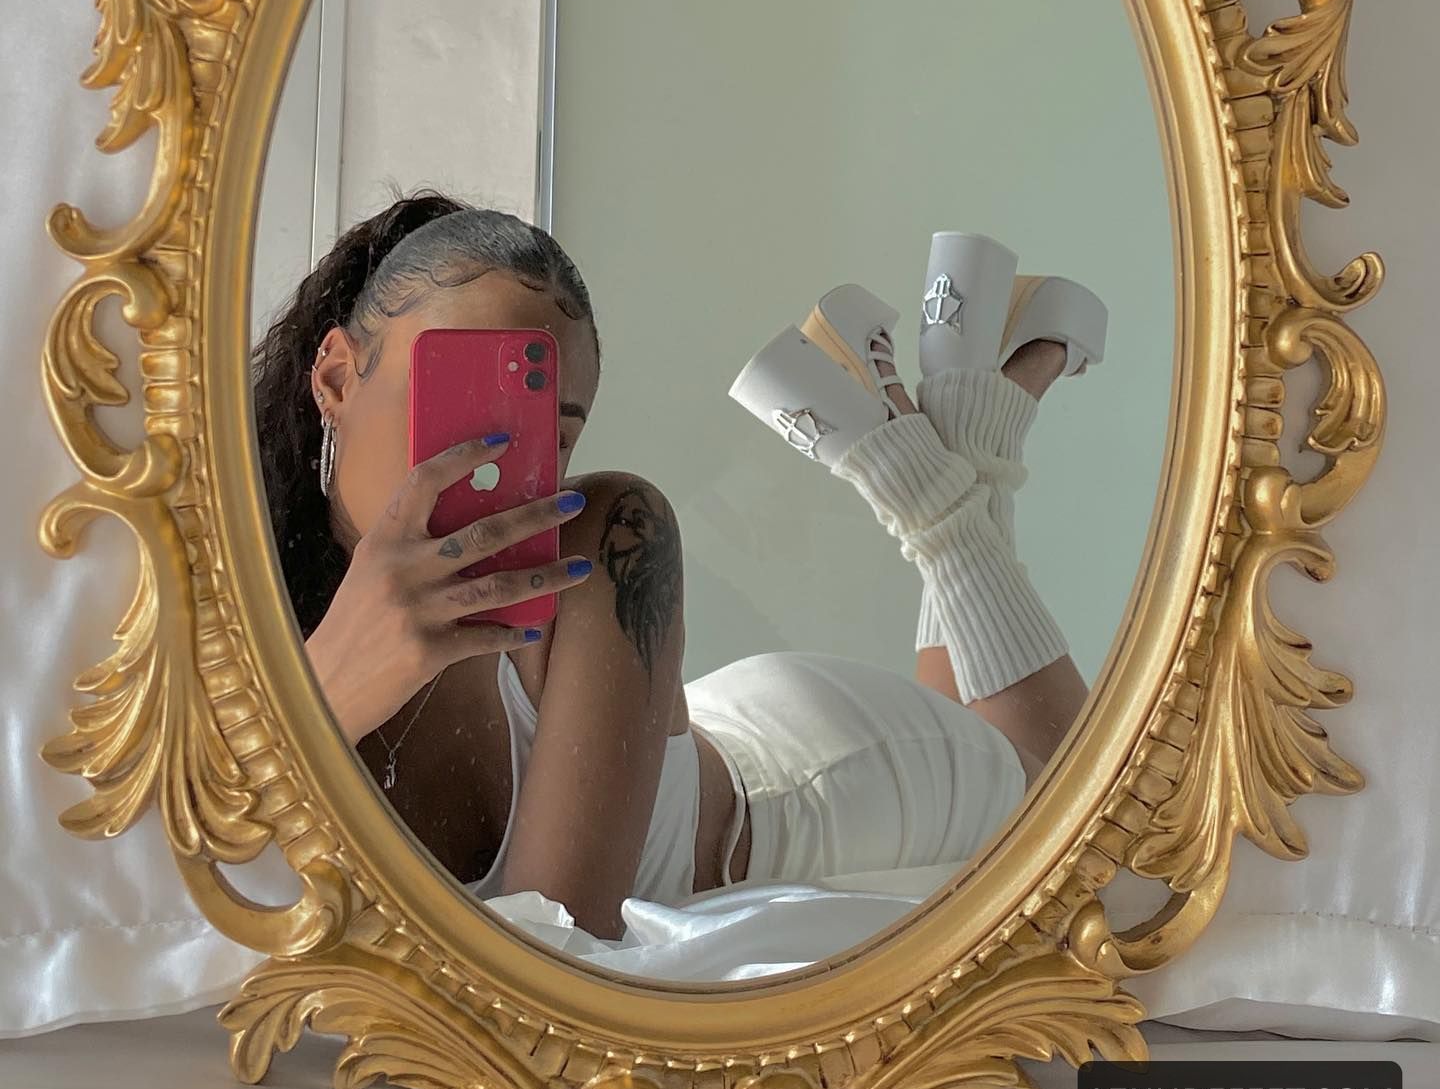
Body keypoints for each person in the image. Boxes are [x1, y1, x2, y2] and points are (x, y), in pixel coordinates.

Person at [253, 197, 1105, 940]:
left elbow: (549, 960)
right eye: (454, 404)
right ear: (335, 378)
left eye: (547, 431)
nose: (484, 466)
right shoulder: (237, 611)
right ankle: (958, 433)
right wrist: (334, 681)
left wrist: (327, 698)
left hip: (826, 791)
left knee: (1093, 849)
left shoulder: (605, 539)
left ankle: (930, 486)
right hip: (735, 729)